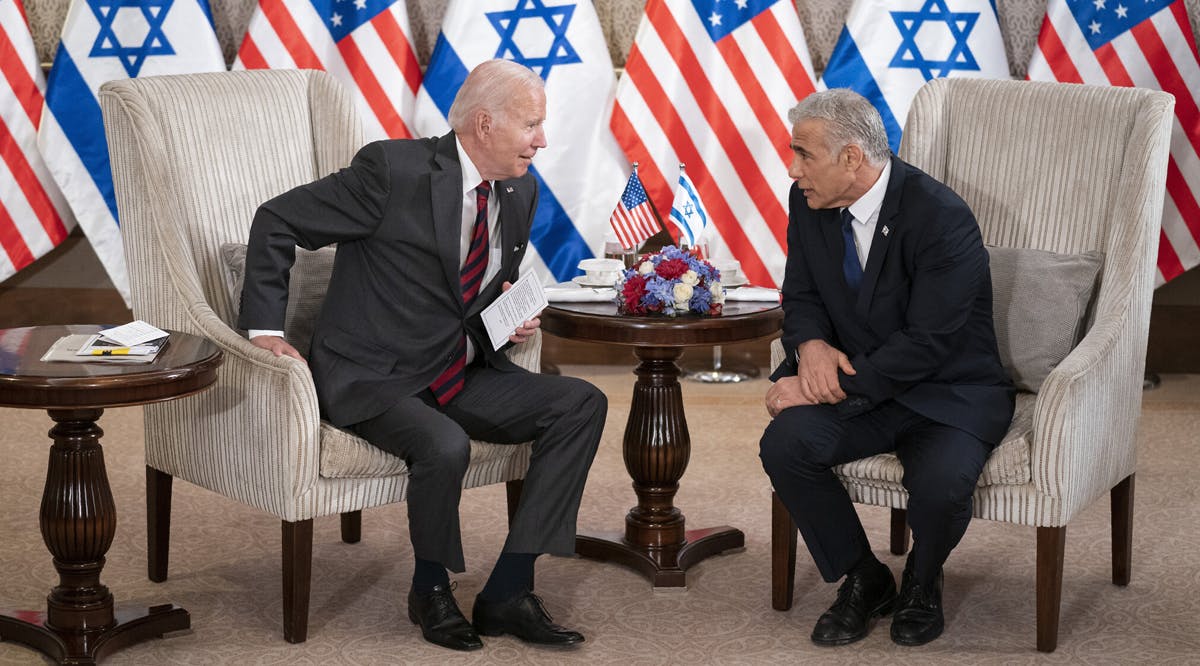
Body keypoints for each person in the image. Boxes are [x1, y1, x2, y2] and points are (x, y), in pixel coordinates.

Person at [238, 59, 606, 652]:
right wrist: (262, 330)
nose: (543, 140)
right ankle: (429, 589)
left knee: (580, 404)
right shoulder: (393, 170)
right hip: (373, 374)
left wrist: (509, 318)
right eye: (533, 125)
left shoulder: (520, 188)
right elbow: (277, 219)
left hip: (456, 369)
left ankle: (508, 590)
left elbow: (481, 289)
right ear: (485, 124)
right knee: (444, 445)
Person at [759, 89, 1015, 647]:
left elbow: (929, 343)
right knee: (785, 445)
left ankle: (922, 582)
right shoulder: (808, 202)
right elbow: (800, 294)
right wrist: (810, 350)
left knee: (942, 485)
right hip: (866, 389)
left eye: (804, 153)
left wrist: (820, 389)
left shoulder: (940, 216)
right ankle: (864, 576)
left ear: (851, 158)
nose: (793, 168)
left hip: (946, 391)